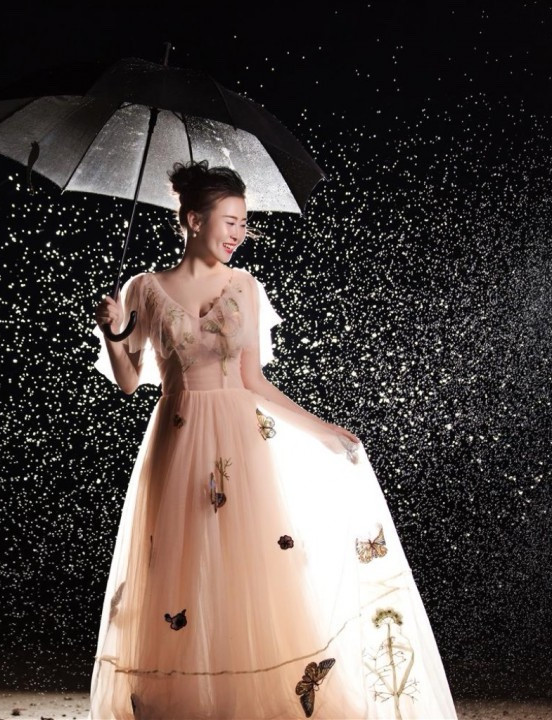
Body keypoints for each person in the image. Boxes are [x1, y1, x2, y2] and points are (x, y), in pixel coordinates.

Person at [89, 160, 457, 720]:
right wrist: (112, 332)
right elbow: (129, 381)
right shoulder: (143, 287)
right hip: (177, 438)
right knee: (179, 569)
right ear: (193, 219)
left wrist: (321, 428)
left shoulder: (245, 287)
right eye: (230, 221)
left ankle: (247, 700)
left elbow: (254, 381)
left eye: (244, 222)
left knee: (248, 566)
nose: (239, 233)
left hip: (240, 442)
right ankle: (183, 701)